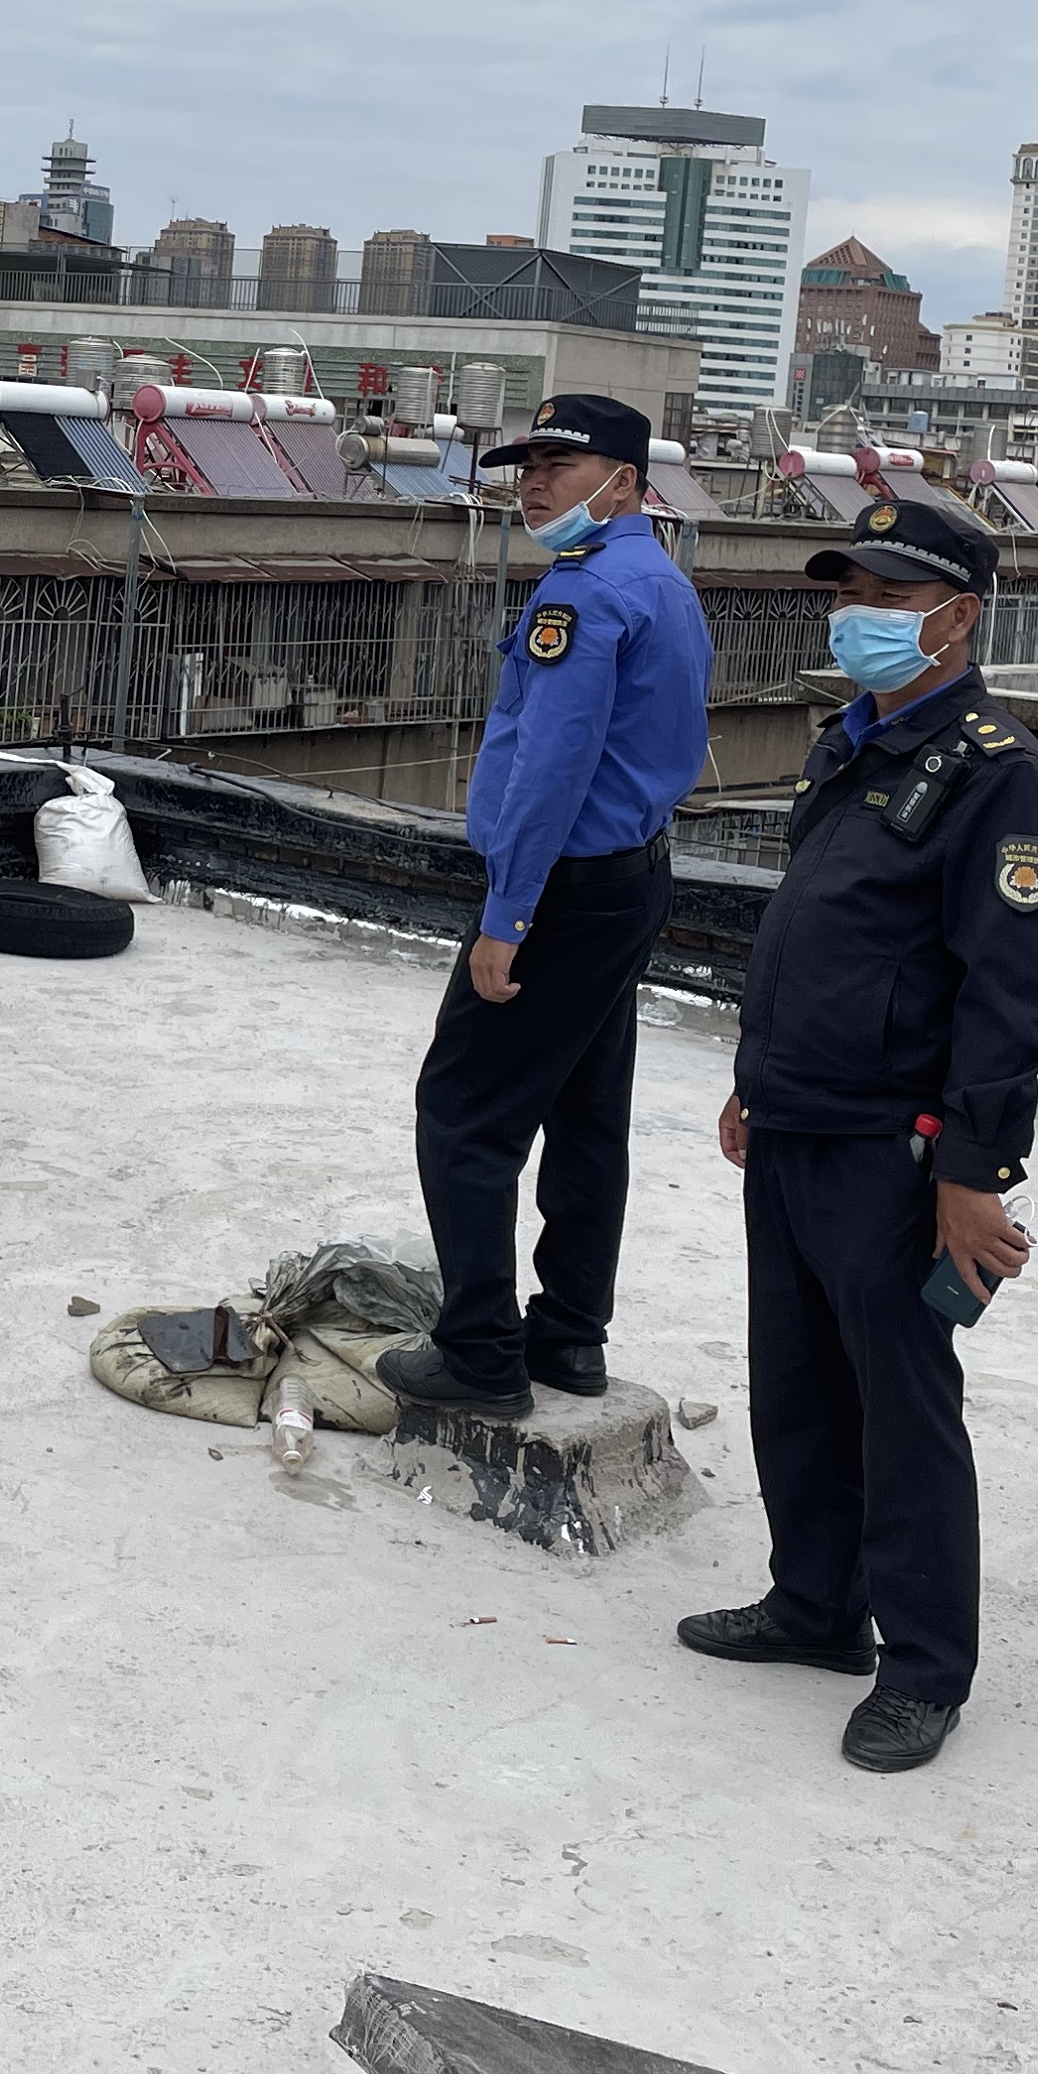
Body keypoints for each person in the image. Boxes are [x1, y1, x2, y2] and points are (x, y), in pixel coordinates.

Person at [680, 491, 1038, 1776]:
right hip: (798, 1115)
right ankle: (814, 1605)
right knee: (798, 1384)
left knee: (902, 1411)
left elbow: (1010, 1000)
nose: (859, 617)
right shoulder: (850, 745)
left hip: (894, 1146)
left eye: (892, 600)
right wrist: (754, 1079)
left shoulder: (1001, 778)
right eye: (849, 596)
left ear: (958, 618)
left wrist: (973, 1172)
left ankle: (922, 1669)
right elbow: (815, 934)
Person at [376, 393, 714, 1416]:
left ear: (624, 480)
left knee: (463, 1115)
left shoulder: (588, 592)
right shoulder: (660, 580)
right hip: (628, 877)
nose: (533, 485)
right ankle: (568, 1338)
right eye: (526, 468)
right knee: (584, 1114)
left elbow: (551, 767)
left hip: (563, 888)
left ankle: (480, 1356)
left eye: (558, 466)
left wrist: (507, 916)